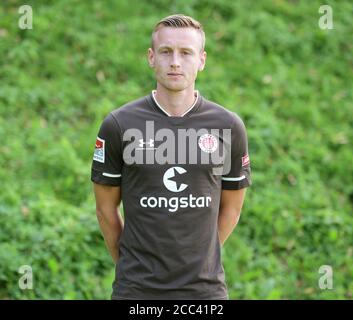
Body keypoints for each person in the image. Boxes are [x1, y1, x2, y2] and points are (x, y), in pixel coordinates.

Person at [91, 14, 251, 300]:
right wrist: (130, 266)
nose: (175, 61)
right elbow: (105, 210)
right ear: (151, 57)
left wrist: (200, 259)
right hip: (136, 292)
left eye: (186, 53)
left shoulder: (227, 126)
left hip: (205, 292)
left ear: (201, 60)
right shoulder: (119, 125)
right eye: (166, 52)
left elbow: (232, 209)